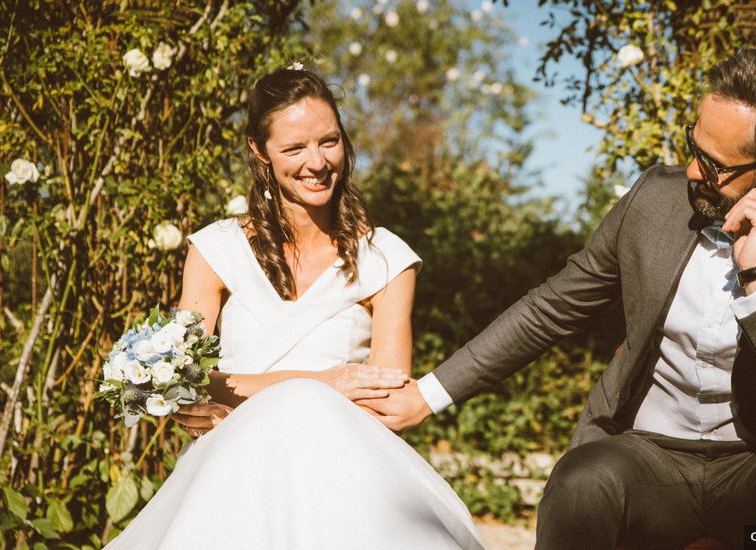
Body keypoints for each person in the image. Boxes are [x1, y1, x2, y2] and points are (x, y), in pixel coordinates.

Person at [364, 49, 756, 549]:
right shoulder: (654, 202)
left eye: (714, 165)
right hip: (647, 459)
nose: (694, 170)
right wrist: (426, 396)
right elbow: (553, 307)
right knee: (583, 482)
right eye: (694, 149)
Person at [105, 67, 484, 550]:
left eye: (329, 142)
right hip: (233, 472)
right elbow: (178, 380)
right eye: (294, 148)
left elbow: (386, 400)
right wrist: (321, 383)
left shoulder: (386, 259)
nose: (318, 162)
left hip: (340, 477)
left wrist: (237, 397)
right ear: (259, 153)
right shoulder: (216, 249)